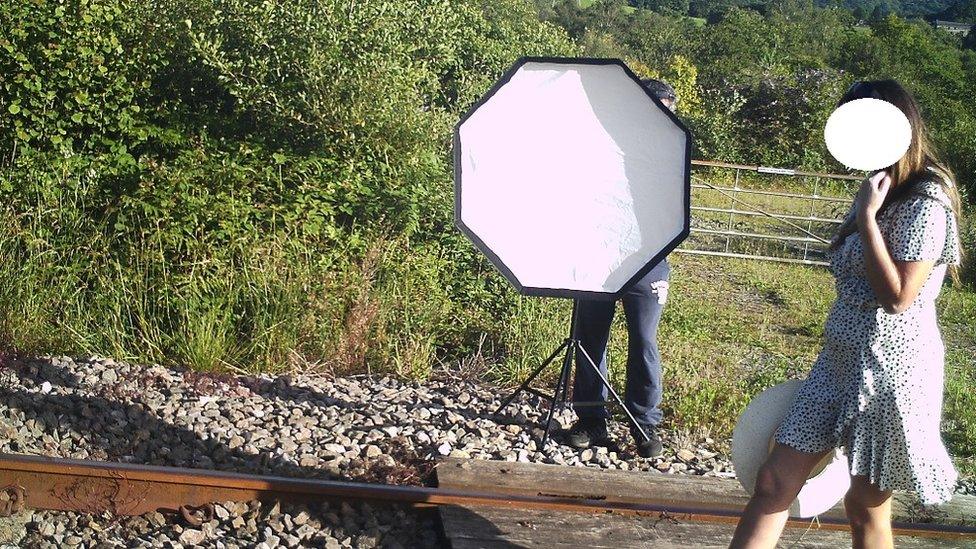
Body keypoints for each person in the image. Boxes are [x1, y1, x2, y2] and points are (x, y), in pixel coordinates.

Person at [730, 79, 964, 548]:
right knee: (774, 481)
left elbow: (898, 297)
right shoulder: (881, 185)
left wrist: (867, 221)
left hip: (891, 370)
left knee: (865, 507)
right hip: (837, 362)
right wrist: (867, 210)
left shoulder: (926, 200)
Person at [566, 78, 679, 459]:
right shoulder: (603, 148)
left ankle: (643, 425)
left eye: (670, 113)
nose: (666, 120)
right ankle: (590, 421)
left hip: (648, 263)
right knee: (589, 339)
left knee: (644, 343)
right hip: (598, 258)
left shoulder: (674, 156)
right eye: (658, 111)